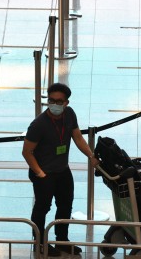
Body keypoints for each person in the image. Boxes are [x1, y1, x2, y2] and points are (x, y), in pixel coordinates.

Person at [23, 82, 96, 257]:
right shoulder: (38, 124)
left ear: (66, 103)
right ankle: (40, 244)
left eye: (59, 101)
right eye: (51, 100)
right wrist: (40, 173)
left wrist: (91, 156)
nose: (55, 104)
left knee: (65, 205)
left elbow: (78, 138)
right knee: (42, 208)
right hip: (44, 173)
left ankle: (62, 240)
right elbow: (27, 152)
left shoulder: (69, 115)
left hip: (62, 170)